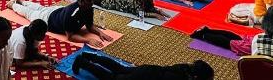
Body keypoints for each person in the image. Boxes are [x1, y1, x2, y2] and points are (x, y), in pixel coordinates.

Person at [9, 0, 112, 48]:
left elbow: (90, 25)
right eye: (89, 1)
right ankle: (13, 4)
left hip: (57, 10)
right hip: (47, 19)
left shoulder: (89, 8)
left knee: (40, 7)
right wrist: (88, 40)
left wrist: (100, 33)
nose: (92, 3)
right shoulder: (72, 14)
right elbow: (70, 36)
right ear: (80, 1)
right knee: (29, 13)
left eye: (92, 0)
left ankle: (21, 1)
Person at [72, 52, 214, 80]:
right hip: (144, 76)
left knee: (121, 69)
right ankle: (82, 62)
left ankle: (91, 57)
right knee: (112, 77)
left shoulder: (185, 68)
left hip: (149, 69)